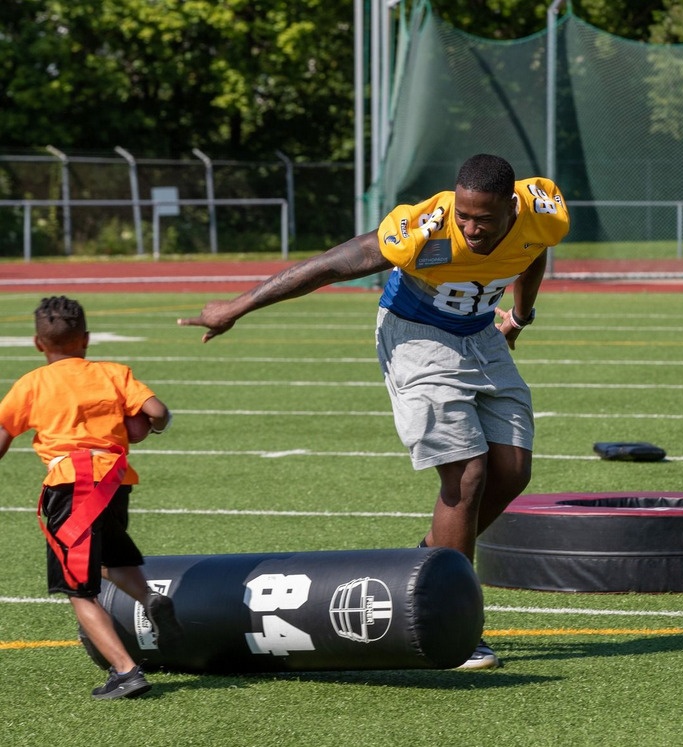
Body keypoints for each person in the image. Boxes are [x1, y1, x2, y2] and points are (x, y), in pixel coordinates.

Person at [178, 153, 570, 669]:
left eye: (485, 220)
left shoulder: (543, 210)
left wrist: (521, 315)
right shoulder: (423, 228)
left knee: (512, 470)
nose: (472, 228)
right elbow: (330, 265)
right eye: (464, 216)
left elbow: (532, 249)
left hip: (480, 331)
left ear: (512, 207)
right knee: (466, 473)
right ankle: (452, 621)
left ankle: (426, 559)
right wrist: (238, 306)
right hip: (417, 333)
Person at [0, 296, 181, 700]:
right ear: (86, 339)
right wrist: (147, 429)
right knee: (109, 558)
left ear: (37, 343)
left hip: (71, 485)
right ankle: (149, 598)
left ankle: (126, 670)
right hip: (114, 483)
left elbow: (2, 436)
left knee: (77, 588)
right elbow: (158, 411)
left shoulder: (31, 383)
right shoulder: (113, 373)